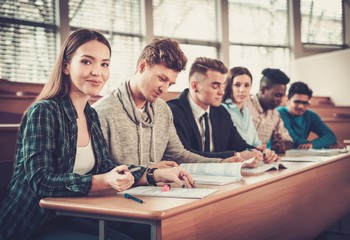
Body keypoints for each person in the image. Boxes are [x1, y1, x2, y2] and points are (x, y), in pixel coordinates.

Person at [0, 29, 194, 240]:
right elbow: (41, 182)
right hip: (34, 222)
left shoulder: (89, 115)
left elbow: (106, 167)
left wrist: (154, 175)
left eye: (104, 64)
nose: (97, 72)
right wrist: (103, 181)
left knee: (150, 232)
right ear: (66, 66)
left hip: (72, 213)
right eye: (86, 61)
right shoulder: (43, 112)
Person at [93, 39, 254, 166]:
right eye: (162, 79)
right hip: (120, 202)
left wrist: (222, 163)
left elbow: (178, 155)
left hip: (156, 196)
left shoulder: (162, 110)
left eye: (170, 84)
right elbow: (101, 170)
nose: (164, 89)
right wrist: (150, 173)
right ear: (142, 66)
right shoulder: (103, 112)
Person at [167, 57, 278, 163]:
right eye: (215, 86)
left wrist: (259, 152)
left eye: (223, 86)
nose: (221, 92)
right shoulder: (172, 112)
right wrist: (236, 156)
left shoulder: (221, 112)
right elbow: (185, 155)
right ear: (195, 86)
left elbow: (238, 145)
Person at [245, 68, 293, 154]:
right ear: (263, 90)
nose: (281, 100)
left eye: (282, 96)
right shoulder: (244, 105)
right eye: (277, 95)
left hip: (261, 161)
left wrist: (282, 145)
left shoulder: (275, 114)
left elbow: (288, 140)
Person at [278, 82, 337, 149]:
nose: (301, 106)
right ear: (288, 100)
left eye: (305, 103)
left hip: (299, 154)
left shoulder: (311, 115)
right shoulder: (279, 113)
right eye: (297, 102)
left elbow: (330, 136)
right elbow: (293, 140)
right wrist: (323, 144)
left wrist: (312, 144)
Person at [222, 66, 262, 147]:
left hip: (252, 156)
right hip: (234, 156)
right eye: (237, 85)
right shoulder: (222, 109)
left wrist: (263, 150)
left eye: (247, 85)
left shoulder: (246, 112)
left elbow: (256, 142)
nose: (242, 90)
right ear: (230, 86)